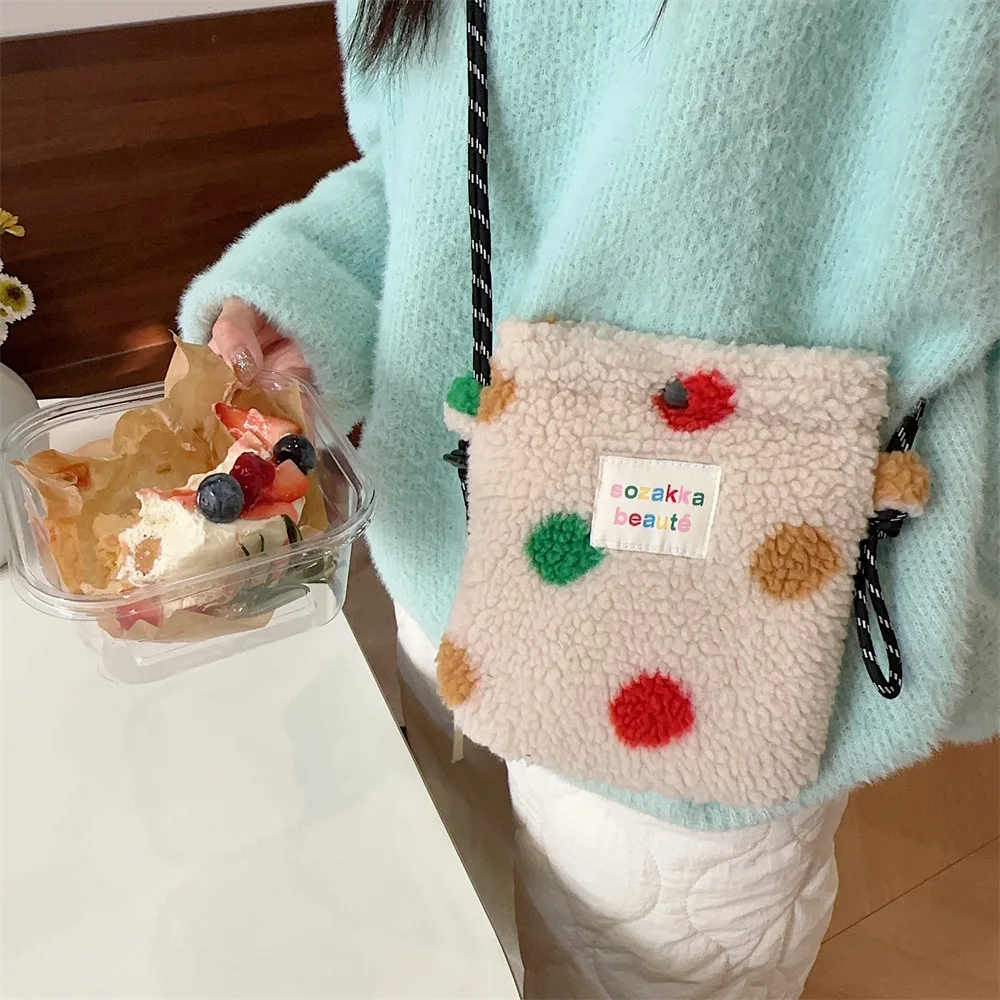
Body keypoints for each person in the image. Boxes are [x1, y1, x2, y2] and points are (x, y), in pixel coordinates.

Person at [179, 1, 998, 996]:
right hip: (447, 565)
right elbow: (427, 167)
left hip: (706, 662)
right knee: (454, 924)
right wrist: (303, 294)